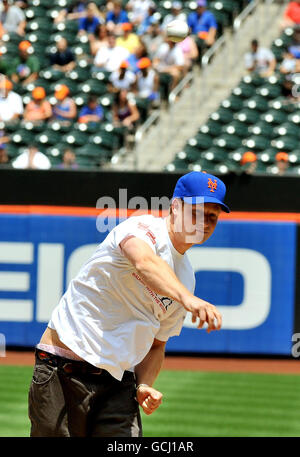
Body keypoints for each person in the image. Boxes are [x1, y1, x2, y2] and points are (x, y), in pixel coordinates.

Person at [28, 171, 228, 437]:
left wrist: (144, 384)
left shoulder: (186, 278)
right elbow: (144, 262)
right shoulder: (142, 228)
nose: (204, 222)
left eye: (212, 216)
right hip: (63, 371)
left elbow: (157, 344)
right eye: (196, 211)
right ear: (175, 206)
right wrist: (187, 299)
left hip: (120, 385)